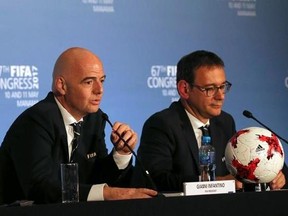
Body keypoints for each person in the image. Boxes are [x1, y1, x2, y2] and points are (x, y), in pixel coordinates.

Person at [0, 47, 157, 204]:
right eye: (89, 82)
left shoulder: (94, 119)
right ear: (61, 85)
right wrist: (106, 193)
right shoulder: (35, 121)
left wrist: (121, 154)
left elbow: (98, 180)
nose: (99, 90)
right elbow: (40, 188)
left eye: (102, 81)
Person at [132, 50, 288, 192]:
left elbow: (243, 166)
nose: (220, 96)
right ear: (184, 89)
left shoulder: (225, 122)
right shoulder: (162, 124)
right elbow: (155, 179)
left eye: (222, 87)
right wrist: (215, 184)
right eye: (210, 89)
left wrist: (274, 175)